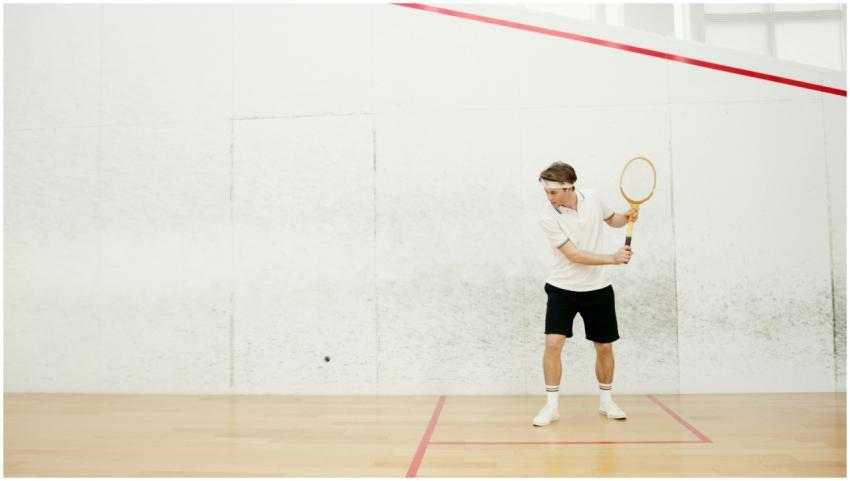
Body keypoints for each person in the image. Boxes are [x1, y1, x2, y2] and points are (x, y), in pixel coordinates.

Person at [533, 161, 637, 427]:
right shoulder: (547, 216)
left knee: (604, 346)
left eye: (553, 192)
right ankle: (551, 407)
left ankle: (606, 402)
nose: (549, 197)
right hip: (562, 289)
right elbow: (574, 255)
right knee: (553, 344)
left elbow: (612, 220)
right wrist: (613, 258)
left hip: (598, 289)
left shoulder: (594, 198)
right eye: (546, 192)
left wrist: (627, 216)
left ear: (569, 187)